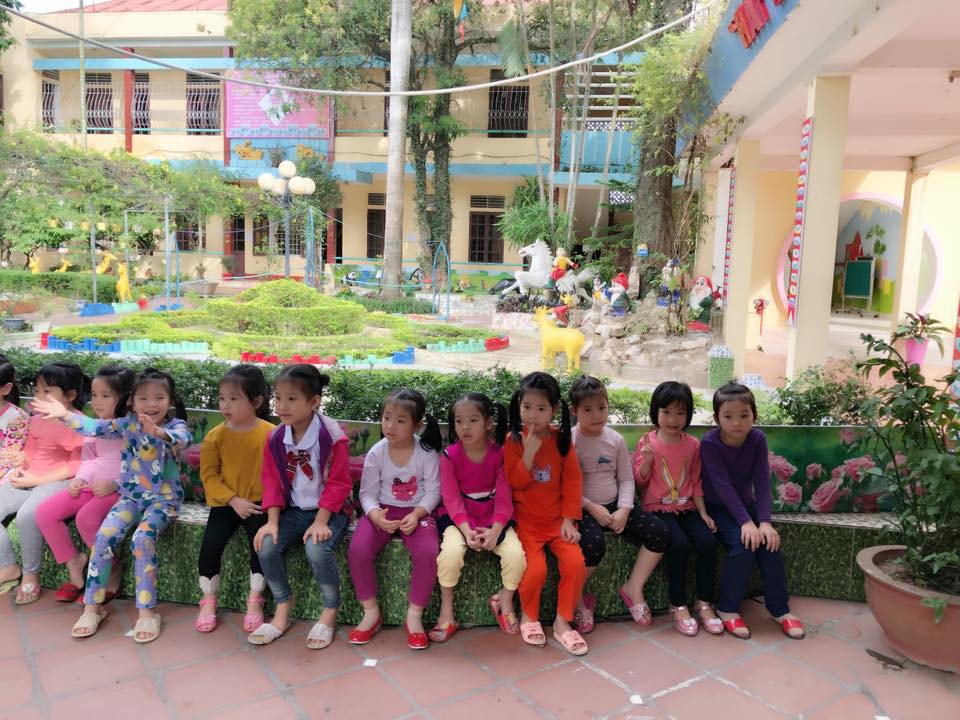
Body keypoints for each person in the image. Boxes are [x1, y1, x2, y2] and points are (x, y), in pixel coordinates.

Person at [32, 368, 192, 643]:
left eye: (159, 398)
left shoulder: (176, 426)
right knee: (104, 537)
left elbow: (181, 439)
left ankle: (147, 613)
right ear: (131, 401)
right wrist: (65, 415)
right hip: (131, 498)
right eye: (143, 398)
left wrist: (157, 432)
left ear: (170, 401)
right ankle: (93, 608)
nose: (151, 404)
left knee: (142, 538)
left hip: (163, 501)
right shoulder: (126, 424)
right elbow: (94, 427)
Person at [248, 365, 353, 650]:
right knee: (266, 545)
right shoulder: (276, 438)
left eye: (291, 399)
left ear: (313, 401)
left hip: (331, 510)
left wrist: (321, 521)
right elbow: (271, 481)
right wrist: (272, 521)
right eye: (278, 398)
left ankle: (330, 610)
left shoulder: (332, 436)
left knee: (316, 548)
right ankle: (283, 605)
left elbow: (339, 483)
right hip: (295, 510)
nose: (282, 406)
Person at [701, 382, 805, 640]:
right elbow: (722, 486)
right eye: (728, 416)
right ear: (717, 418)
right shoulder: (710, 444)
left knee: (770, 544)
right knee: (743, 544)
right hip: (718, 508)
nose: (736, 423)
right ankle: (727, 608)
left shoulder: (757, 439)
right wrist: (746, 522)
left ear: (754, 416)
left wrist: (765, 522)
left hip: (746, 506)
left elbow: (761, 481)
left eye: (744, 415)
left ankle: (779, 609)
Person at [569, 376, 668, 634]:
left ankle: (633, 587)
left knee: (659, 531)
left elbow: (625, 478)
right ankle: (577, 598)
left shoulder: (615, 439)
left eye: (602, 407)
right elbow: (563, 486)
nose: (597, 415)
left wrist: (624, 509)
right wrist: (591, 507)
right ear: (574, 410)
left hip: (615, 505)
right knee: (593, 544)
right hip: (582, 509)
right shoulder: (570, 441)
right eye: (588, 409)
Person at [348, 388, 442, 650]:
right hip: (382, 511)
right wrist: (374, 514)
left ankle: (414, 617)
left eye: (400, 420)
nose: (390, 425)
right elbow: (367, 493)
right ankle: (371, 613)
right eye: (386, 417)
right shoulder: (377, 452)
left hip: (417, 512)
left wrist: (417, 514)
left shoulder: (426, 453)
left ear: (417, 424)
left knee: (428, 552)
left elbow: (434, 491)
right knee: (358, 550)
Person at [431, 392, 526, 642]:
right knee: (450, 553)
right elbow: (452, 499)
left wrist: (496, 530)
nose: (465, 427)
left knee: (516, 556)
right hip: (459, 519)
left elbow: (504, 498)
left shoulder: (501, 454)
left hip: (495, 518)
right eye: (459, 421)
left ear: (488, 423)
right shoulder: (449, 456)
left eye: (473, 420)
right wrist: (466, 531)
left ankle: (505, 599)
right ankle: (447, 611)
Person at [35, 364, 134, 603]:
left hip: (118, 491)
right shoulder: (94, 426)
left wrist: (115, 484)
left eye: (105, 396)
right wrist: (80, 479)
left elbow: (138, 468)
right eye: (95, 395)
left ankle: (112, 569)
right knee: (45, 513)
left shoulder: (131, 428)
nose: (96, 402)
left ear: (126, 398)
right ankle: (74, 564)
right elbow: (89, 460)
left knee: (86, 518)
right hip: (91, 486)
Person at [505, 372, 588, 656]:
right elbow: (515, 482)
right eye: (527, 406)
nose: (533, 415)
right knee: (535, 569)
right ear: (518, 406)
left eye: (541, 408)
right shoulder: (513, 440)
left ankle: (563, 621)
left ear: (554, 410)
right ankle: (529, 617)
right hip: (526, 524)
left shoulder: (562, 440)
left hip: (557, 522)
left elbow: (573, 481)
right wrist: (529, 452)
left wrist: (569, 520)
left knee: (575, 563)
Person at [634, 381, 722, 637]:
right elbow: (640, 481)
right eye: (666, 412)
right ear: (656, 411)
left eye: (680, 413)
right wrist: (646, 462)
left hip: (687, 507)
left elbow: (695, 482)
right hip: (657, 508)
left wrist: (703, 514)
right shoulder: (647, 441)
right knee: (679, 544)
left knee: (707, 541)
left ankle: (704, 603)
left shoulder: (693, 445)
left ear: (688, 414)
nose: (673, 419)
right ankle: (678, 605)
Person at [196, 365, 275, 634]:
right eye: (221, 398)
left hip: (258, 504)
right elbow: (209, 475)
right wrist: (232, 499)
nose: (225, 405)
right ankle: (208, 600)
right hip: (226, 504)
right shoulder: (215, 436)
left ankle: (255, 599)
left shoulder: (270, 434)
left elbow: (276, 474)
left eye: (233, 398)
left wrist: (265, 503)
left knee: (261, 546)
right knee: (210, 546)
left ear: (256, 401)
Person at [0, 363, 86, 604]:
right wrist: (21, 463)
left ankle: (31, 574)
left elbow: (74, 467)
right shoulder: (37, 420)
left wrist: (37, 480)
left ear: (70, 395)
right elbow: (30, 451)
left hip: (58, 481)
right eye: (37, 391)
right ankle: (7, 566)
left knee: (27, 515)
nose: (39, 396)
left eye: (47, 391)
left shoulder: (80, 424)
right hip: (29, 478)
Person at [0, 355, 28, 596]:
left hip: (13, 479)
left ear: (6, 388)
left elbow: (9, 458)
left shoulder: (16, 418)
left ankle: (8, 567)